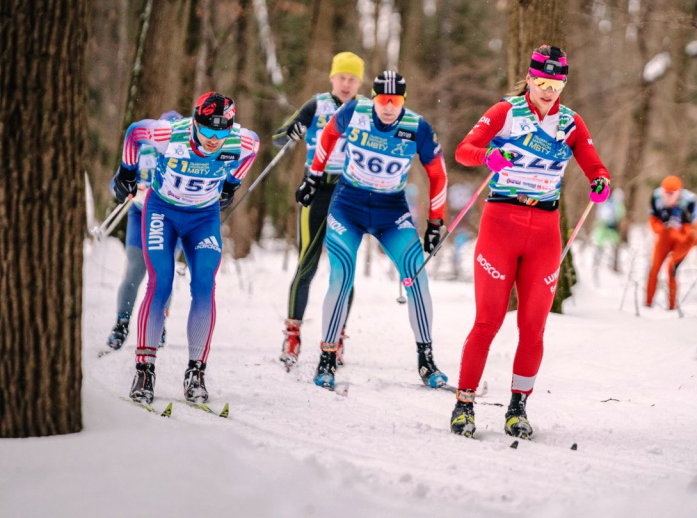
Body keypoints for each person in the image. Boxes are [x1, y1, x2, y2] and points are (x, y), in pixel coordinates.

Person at [449, 45, 610, 439]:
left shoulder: (571, 122)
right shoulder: (505, 112)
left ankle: (517, 408)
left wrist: (600, 180)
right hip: (501, 223)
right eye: (540, 82)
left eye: (556, 84)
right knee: (487, 321)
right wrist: (489, 155)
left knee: (533, 327)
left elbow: (594, 164)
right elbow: (463, 151)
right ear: (529, 78)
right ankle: (464, 404)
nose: (548, 90)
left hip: (544, 230)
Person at [295, 71, 449, 391]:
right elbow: (327, 137)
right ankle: (327, 356)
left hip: (391, 211)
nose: (389, 107)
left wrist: (436, 221)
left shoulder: (417, 127)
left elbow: (437, 173)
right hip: (348, 206)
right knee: (342, 274)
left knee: (415, 274)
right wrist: (313, 176)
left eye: (395, 101)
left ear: (403, 101)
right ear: (374, 97)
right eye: (383, 100)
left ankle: (426, 359)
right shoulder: (355, 111)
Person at [111, 92, 260, 404]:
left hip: (203, 218)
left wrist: (232, 184)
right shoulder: (171, 135)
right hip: (162, 212)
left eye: (221, 133)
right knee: (160, 282)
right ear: (195, 123)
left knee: (204, 284)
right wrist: (126, 171)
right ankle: (144, 369)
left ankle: (196, 372)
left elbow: (254, 146)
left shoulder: (238, 142)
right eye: (206, 131)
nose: (212, 140)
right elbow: (135, 132)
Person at [272, 52, 365, 370]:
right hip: (317, 190)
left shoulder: (367, 109)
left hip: (350, 195)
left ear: (360, 83)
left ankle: (336, 337)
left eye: (353, 79)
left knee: (344, 270)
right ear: (332, 78)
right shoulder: (317, 105)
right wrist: (292, 131)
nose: (346, 84)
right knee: (307, 265)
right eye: (342, 77)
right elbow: (278, 137)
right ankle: (293, 334)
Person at [105, 110, 182, 351]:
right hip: (141, 213)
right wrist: (128, 190)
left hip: (174, 218)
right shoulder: (142, 147)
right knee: (135, 269)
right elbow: (116, 183)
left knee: (163, 272)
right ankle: (122, 322)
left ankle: (158, 322)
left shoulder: (187, 154)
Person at [645, 175, 697, 310]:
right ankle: (647, 303)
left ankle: (671, 306)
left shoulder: (690, 201)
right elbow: (653, 220)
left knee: (671, 267)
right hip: (665, 235)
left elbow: (696, 229)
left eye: (672, 194)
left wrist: (682, 232)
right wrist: (663, 229)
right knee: (654, 267)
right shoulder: (656, 197)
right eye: (666, 193)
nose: (668, 196)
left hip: (684, 239)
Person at [592, 187, 625, 273]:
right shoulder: (618, 205)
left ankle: (596, 263)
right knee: (615, 247)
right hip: (611, 228)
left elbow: (598, 215)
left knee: (600, 246)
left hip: (601, 228)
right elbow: (620, 217)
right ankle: (614, 265)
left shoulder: (605, 203)